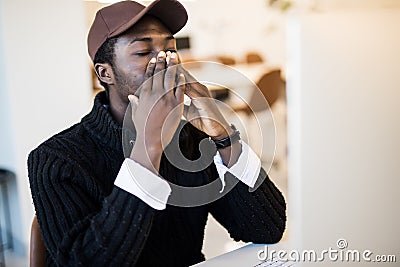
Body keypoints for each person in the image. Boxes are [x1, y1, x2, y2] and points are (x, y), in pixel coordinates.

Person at [28, 0, 286, 266]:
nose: (164, 63)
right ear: (105, 74)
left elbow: (267, 229)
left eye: (171, 50)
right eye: (142, 51)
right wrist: (148, 146)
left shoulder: (192, 140)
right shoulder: (55, 160)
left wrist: (222, 135)